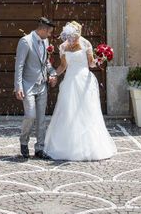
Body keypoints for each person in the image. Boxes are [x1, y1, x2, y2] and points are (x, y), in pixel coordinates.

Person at [44, 21, 117, 161]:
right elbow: (63, 66)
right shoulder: (63, 47)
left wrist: (101, 59)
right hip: (70, 82)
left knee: (87, 111)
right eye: (71, 36)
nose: (73, 39)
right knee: (68, 111)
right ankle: (67, 146)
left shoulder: (85, 44)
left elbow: (91, 63)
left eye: (75, 36)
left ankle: (90, 146)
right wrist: (53, 74)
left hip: (85, 81)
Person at [14, 17, 57, 159]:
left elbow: (46, 63)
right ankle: (24, 141)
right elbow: (19, 65)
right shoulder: (25, 41)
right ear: (43, 29)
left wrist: (53, 73)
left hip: (42, 85)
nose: (49, 35)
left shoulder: (45, 41)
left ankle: (39, 148)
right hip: (27, 85)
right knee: (30, 115)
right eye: (49, 32)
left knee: (41, 118)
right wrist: (18, 86)